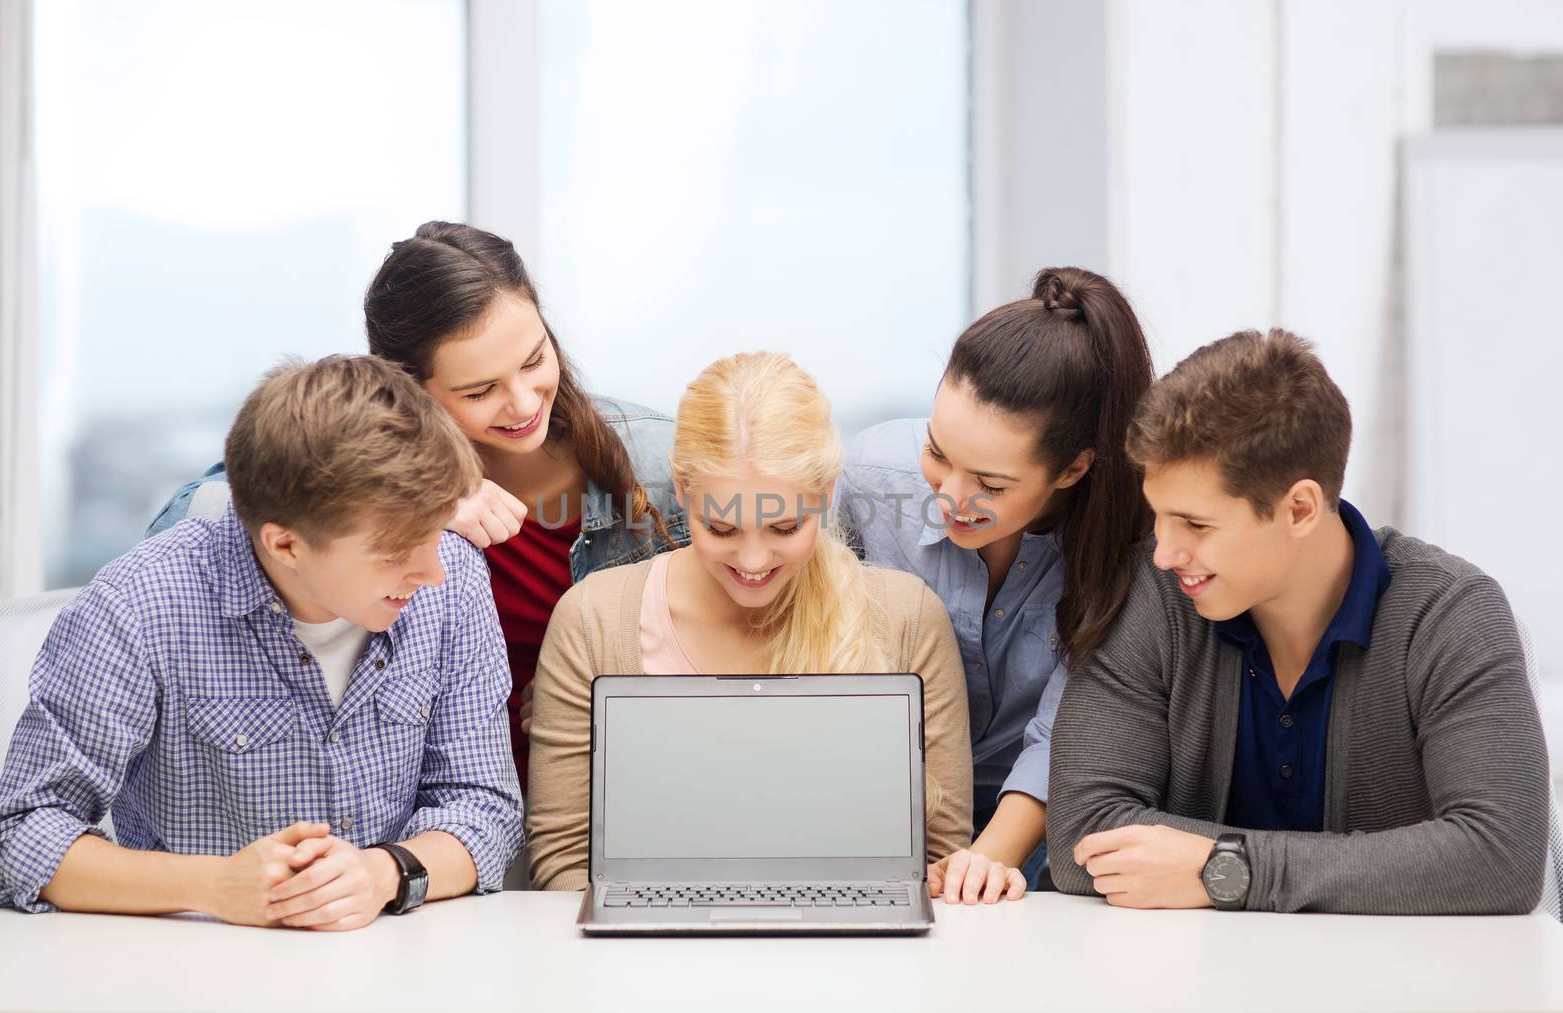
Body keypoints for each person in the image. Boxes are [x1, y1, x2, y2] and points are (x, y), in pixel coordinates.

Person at [0, 356, 524, 929]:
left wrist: (386, 872)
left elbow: (485, 807)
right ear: (285, 545)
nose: (431, 572)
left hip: (389, 960)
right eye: (395, 552)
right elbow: (13, 839)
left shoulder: (453, 578)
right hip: (186, 965)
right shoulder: (138, 604)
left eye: (434, 535)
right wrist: (214, 887)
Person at [146, 222, 688, 788]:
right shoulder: (365, 470)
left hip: (608, 798)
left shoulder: (656, 465)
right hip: (431, 815)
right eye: (480, 392)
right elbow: (189, 521)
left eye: (533, 361)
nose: (524, 403)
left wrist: (596, 694)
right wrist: (419, 495)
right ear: (408, 388)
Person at [1046, 328, 1550, 914]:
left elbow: (1501, 857)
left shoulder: (1451, 615)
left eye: (1197, 525)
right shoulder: (1153, 597)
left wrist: (1225, 870)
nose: (1164, 552)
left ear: (1300, 509)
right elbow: (1083, 834)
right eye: (1158, 516)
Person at [525, 352, 974, 890]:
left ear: (827, 496)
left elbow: (943, 866)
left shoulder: (907, 618)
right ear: (684, 493)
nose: (754, 562)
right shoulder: (592, 620)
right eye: (721, 528)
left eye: (785, 528)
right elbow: (562, 870)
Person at [841, 267, 1153, 904]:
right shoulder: (869, 480)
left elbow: (1063, 731)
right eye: (936, 452)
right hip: (882, 812)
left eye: (991, 483)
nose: (951, 497)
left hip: (1055, 828)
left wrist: (984, 861)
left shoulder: (1130, 544)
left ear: (1072, 469)